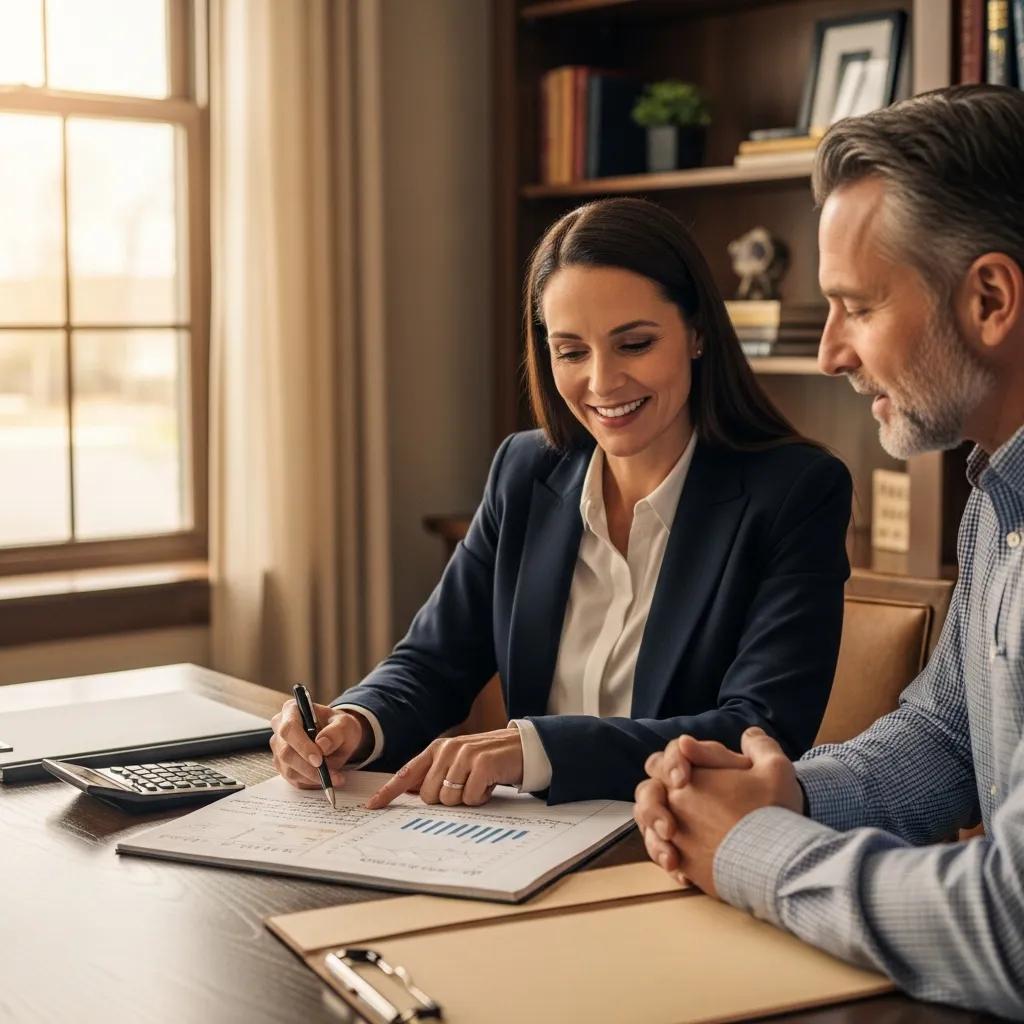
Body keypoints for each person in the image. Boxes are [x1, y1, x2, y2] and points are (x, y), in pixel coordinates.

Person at [635, 85, 1024, 1018]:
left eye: (854, 305)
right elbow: (944, 736)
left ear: (992, 298)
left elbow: (1012, 929)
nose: (830, 354)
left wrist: (753, 851)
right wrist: (785, 796)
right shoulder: (995, 503)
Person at [270, 197, 852, 809]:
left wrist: (536, 750)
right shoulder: (525, 471)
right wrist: (355, 725)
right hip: (524, 844)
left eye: (634, 344)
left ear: (698, 333)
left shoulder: (795, 491)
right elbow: (433, 661)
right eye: (572, 351)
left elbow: (756, 730)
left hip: (680, 843)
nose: (602, 382)